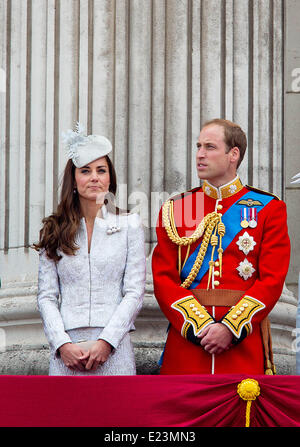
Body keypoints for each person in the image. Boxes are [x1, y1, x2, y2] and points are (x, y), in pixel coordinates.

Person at [152, 118, 290, 375]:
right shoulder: (177, 209)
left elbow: (271, 281)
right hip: (188, 344)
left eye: (210, 147)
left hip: (242, 345)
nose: (200, 155)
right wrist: (199, 326)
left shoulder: (269, 208)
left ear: (233, 154)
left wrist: (230, 328)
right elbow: (162, 279)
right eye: (198, 146)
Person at [34, 124, 145, 375]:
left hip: (114, 349)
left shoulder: (130, 225)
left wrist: (107, 341)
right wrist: (62, 344)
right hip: (67, 352)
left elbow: (135, 292)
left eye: (101, 170)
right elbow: (46, 297)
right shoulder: (55, 228)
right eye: (86, 171)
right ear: (74, 180)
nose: (94, 177)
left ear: (109, 178)